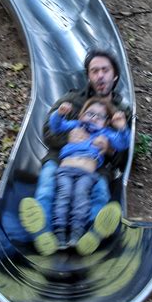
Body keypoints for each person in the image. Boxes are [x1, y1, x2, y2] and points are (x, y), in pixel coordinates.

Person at [19, 48, 132, 255]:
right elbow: (48, 131)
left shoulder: (121, 111)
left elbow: (124, 153)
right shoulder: (71, 100)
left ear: (114, 75)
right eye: (94, 71)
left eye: (105, 70)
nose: (100, 75)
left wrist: (109, 149)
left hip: (96, 165)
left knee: (100, 193)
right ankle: (42, 231)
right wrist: (67, 139)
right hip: (62, 161)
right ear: (88, 76)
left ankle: (92, 233)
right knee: (47, 185)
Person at [49, 98, 130, 253]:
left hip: (86, 173)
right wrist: (59, 114)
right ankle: (59, 233)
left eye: (99, 116)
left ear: (106, 123)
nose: (93, 118)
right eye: (89, 113)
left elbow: (122, 143)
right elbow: (56, 126)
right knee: (63, 196)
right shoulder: (75, 126)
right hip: (65, 170)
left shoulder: (105, 134)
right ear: (80, 116)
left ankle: (76, 234)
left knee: (81, 198)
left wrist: (122, 127)